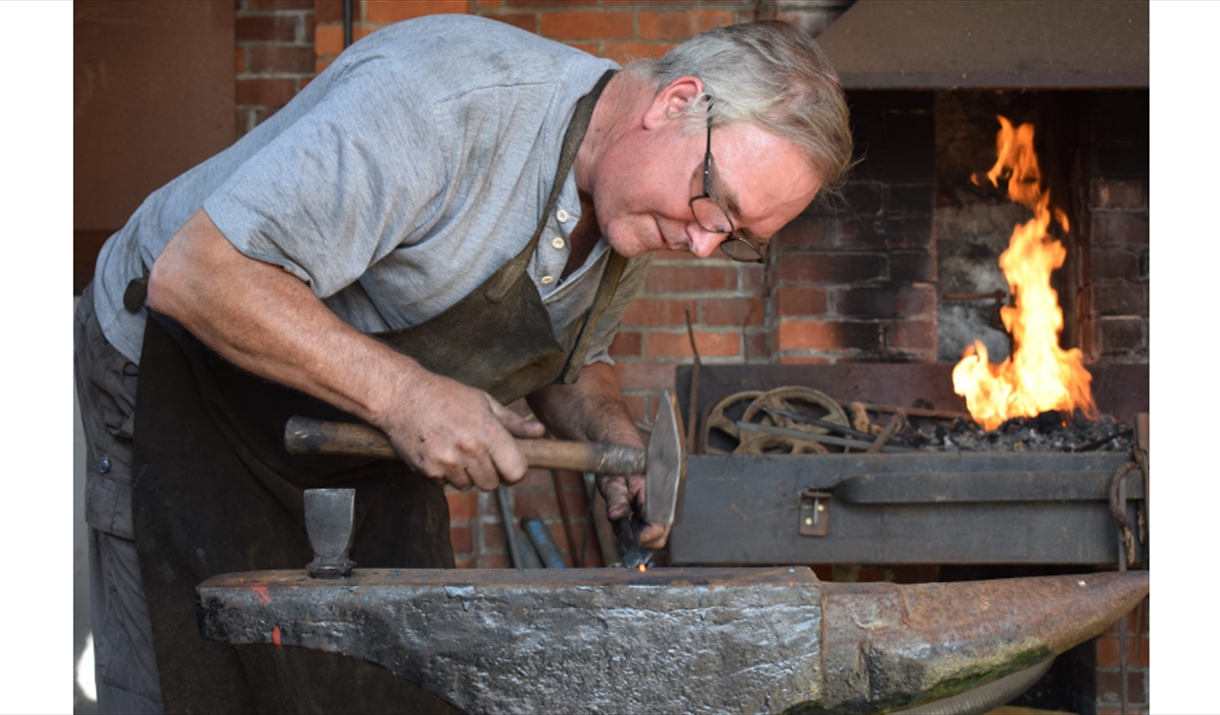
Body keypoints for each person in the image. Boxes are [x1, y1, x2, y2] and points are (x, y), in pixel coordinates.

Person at [74, 13, 852, 714]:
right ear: (675, 102)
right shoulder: (444, 103)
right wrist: (408, 395)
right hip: (180, 369)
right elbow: (201, 273)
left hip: (354, 424)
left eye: (738, 238)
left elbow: (569, 358)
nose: (704, 242)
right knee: (193, 672)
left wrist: (615, 438)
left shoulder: (640, 205)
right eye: (716, 204)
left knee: (397, 679)